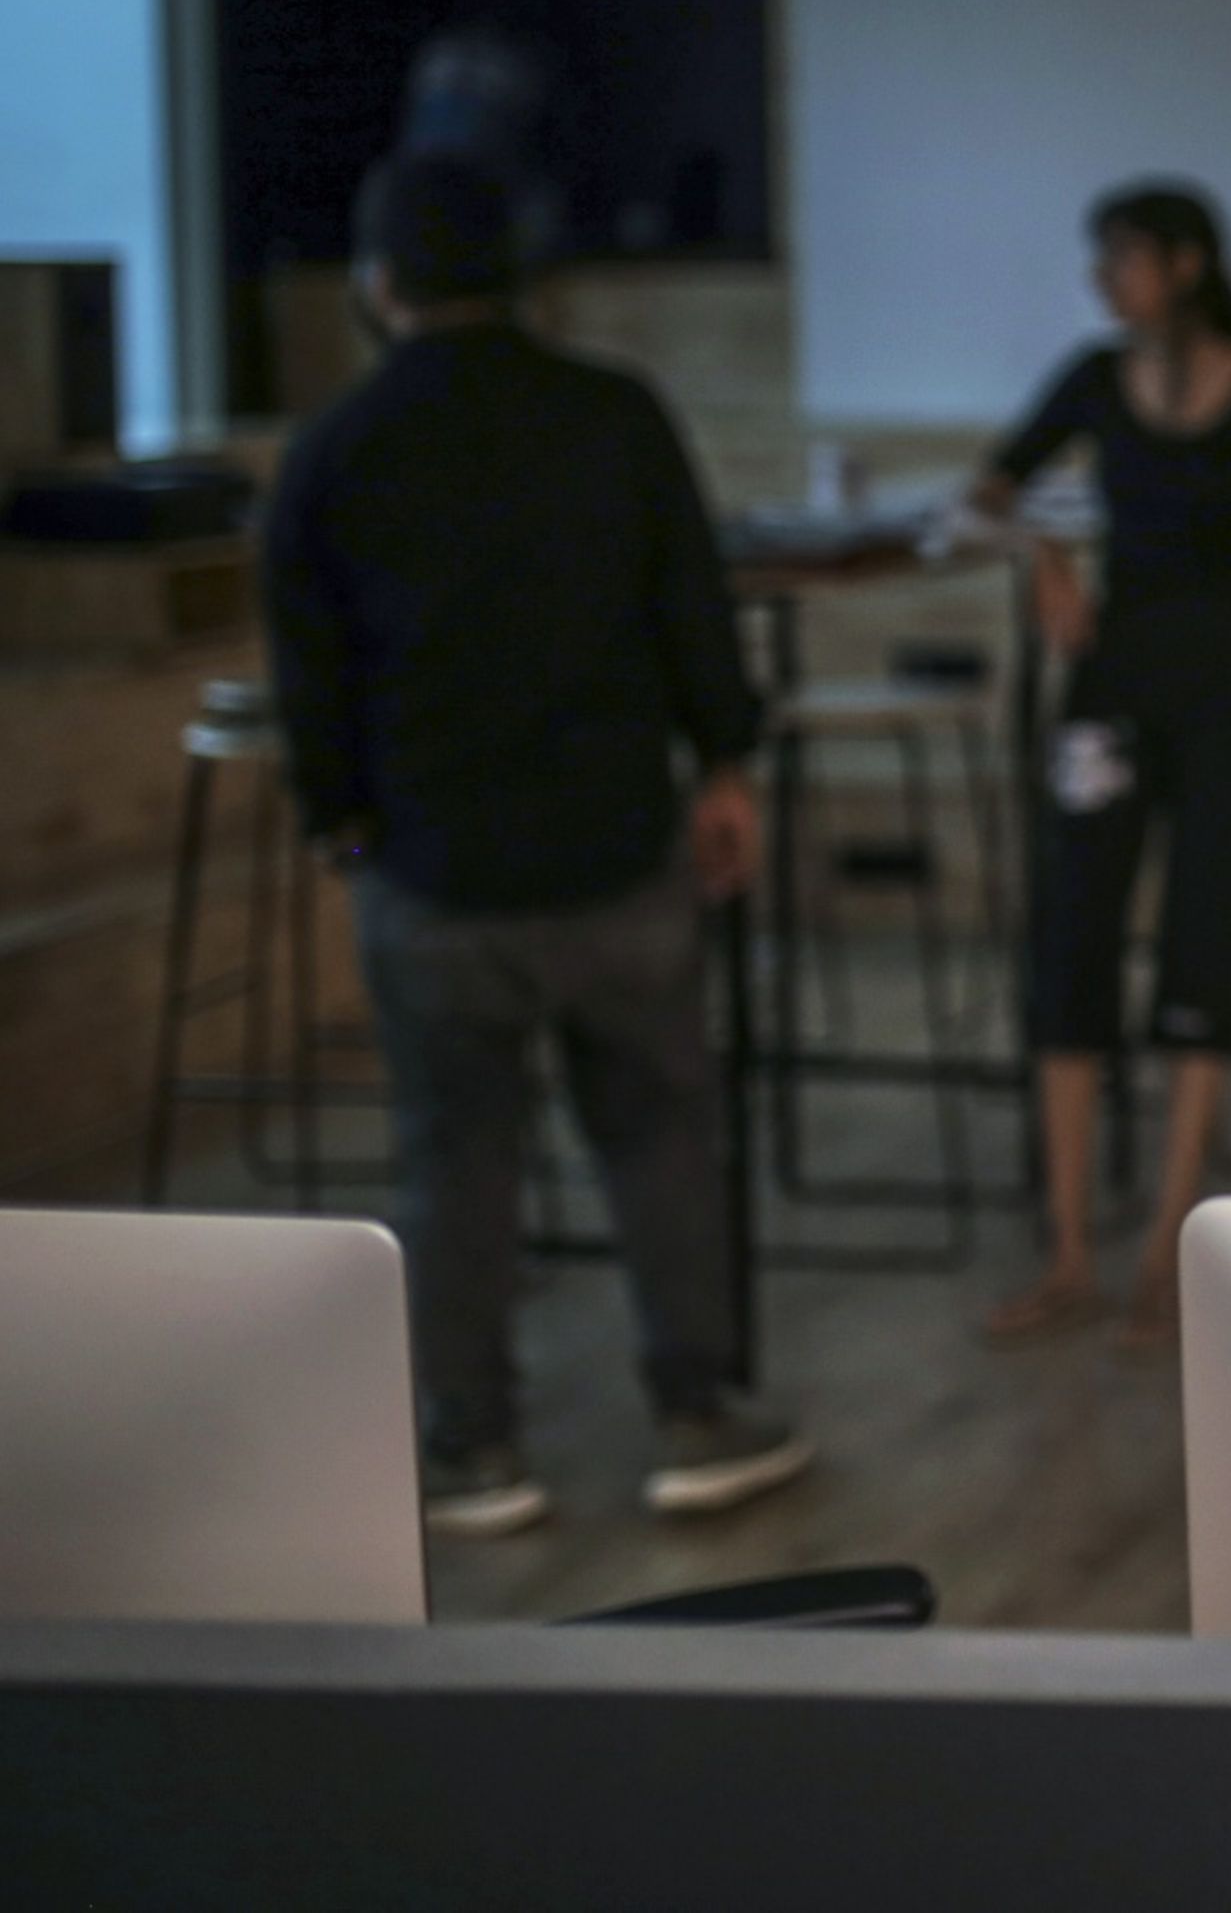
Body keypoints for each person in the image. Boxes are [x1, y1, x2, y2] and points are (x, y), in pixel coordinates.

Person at [260, 149, 807, 1538]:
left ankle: (474, 1444)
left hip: (432, 867)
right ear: (525, 275)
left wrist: (344, 827)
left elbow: (309, 680)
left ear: (378, 282)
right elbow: (691, 606)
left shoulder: (333, 449)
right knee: (661, 1136)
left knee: (455, 1161)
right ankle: (697, 1414)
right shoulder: (614, 414)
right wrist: (724, 761)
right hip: (615, 845)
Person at [972, 184, 1231, 1347]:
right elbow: (992, 486)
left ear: (1184, 265)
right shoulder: (1095, 379)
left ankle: (1166, 1249)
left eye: (1123, 258)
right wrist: (1044, 560)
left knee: (1201, 940)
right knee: (1071, 934)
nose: (1105, 280)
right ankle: (1069, 1250)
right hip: (1115, 685)